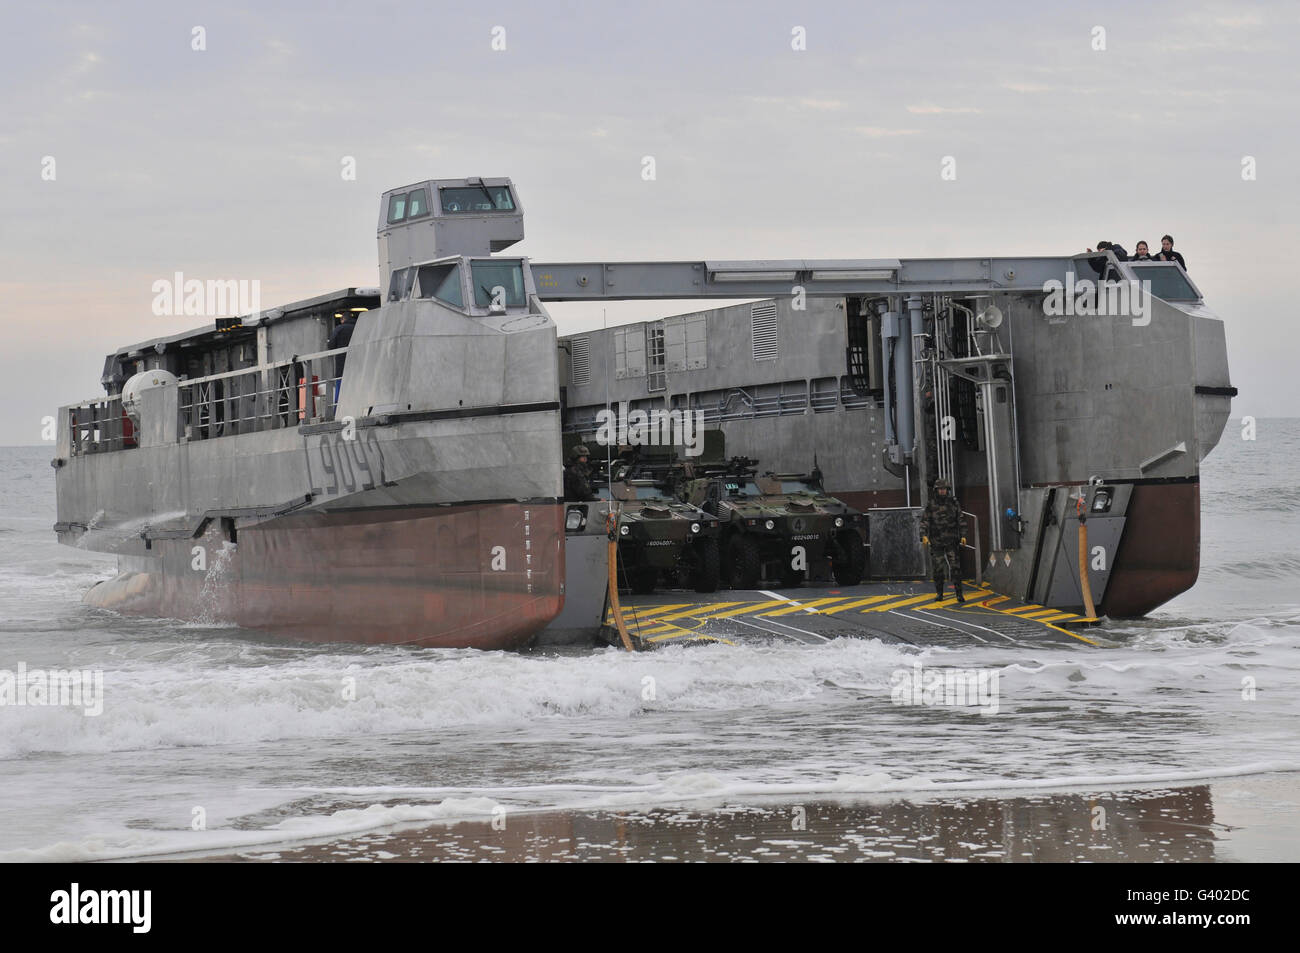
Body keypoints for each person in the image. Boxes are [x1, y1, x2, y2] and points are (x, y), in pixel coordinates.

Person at [920, 477, 966, 603]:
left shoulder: (953, 502)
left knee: (955, 568)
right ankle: (939, 594)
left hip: (951, 541)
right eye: (940, 489)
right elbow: (925, 521)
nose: (942, 491)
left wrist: (963, 535)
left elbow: (960, 519)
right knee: (938, 569)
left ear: (948, 490)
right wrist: (923, 535)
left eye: (944, 489)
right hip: (936, 542)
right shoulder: (931, 504)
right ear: (936, 490)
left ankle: (959, 594)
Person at [328, 312, 359, 402]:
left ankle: (337, 410)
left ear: (342, 320)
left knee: (340, 388)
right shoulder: (358, 327)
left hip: (342, 364)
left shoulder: (340, 328)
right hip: (358, 365)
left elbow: (331, 345)